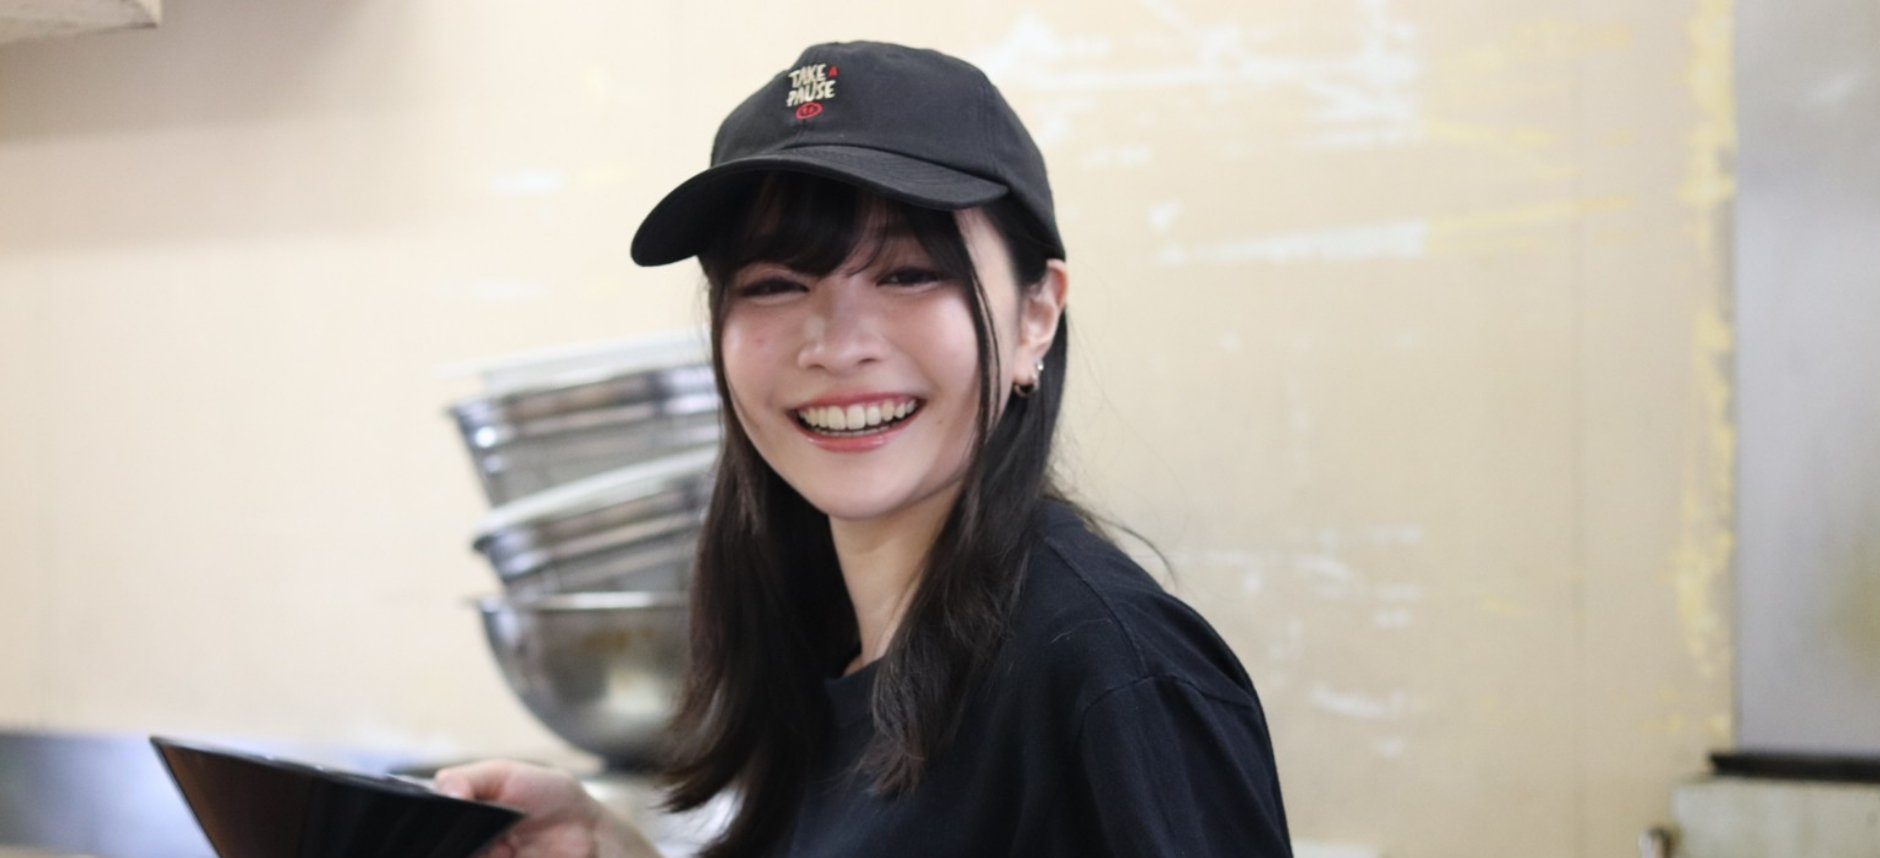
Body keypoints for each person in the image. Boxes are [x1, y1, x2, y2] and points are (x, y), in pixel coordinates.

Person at [435, 40, 1295, 858]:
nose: (836, 346)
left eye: (908, 274)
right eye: (775, 284)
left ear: (1035, 315)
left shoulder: (1111, 672)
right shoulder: (816, 645)